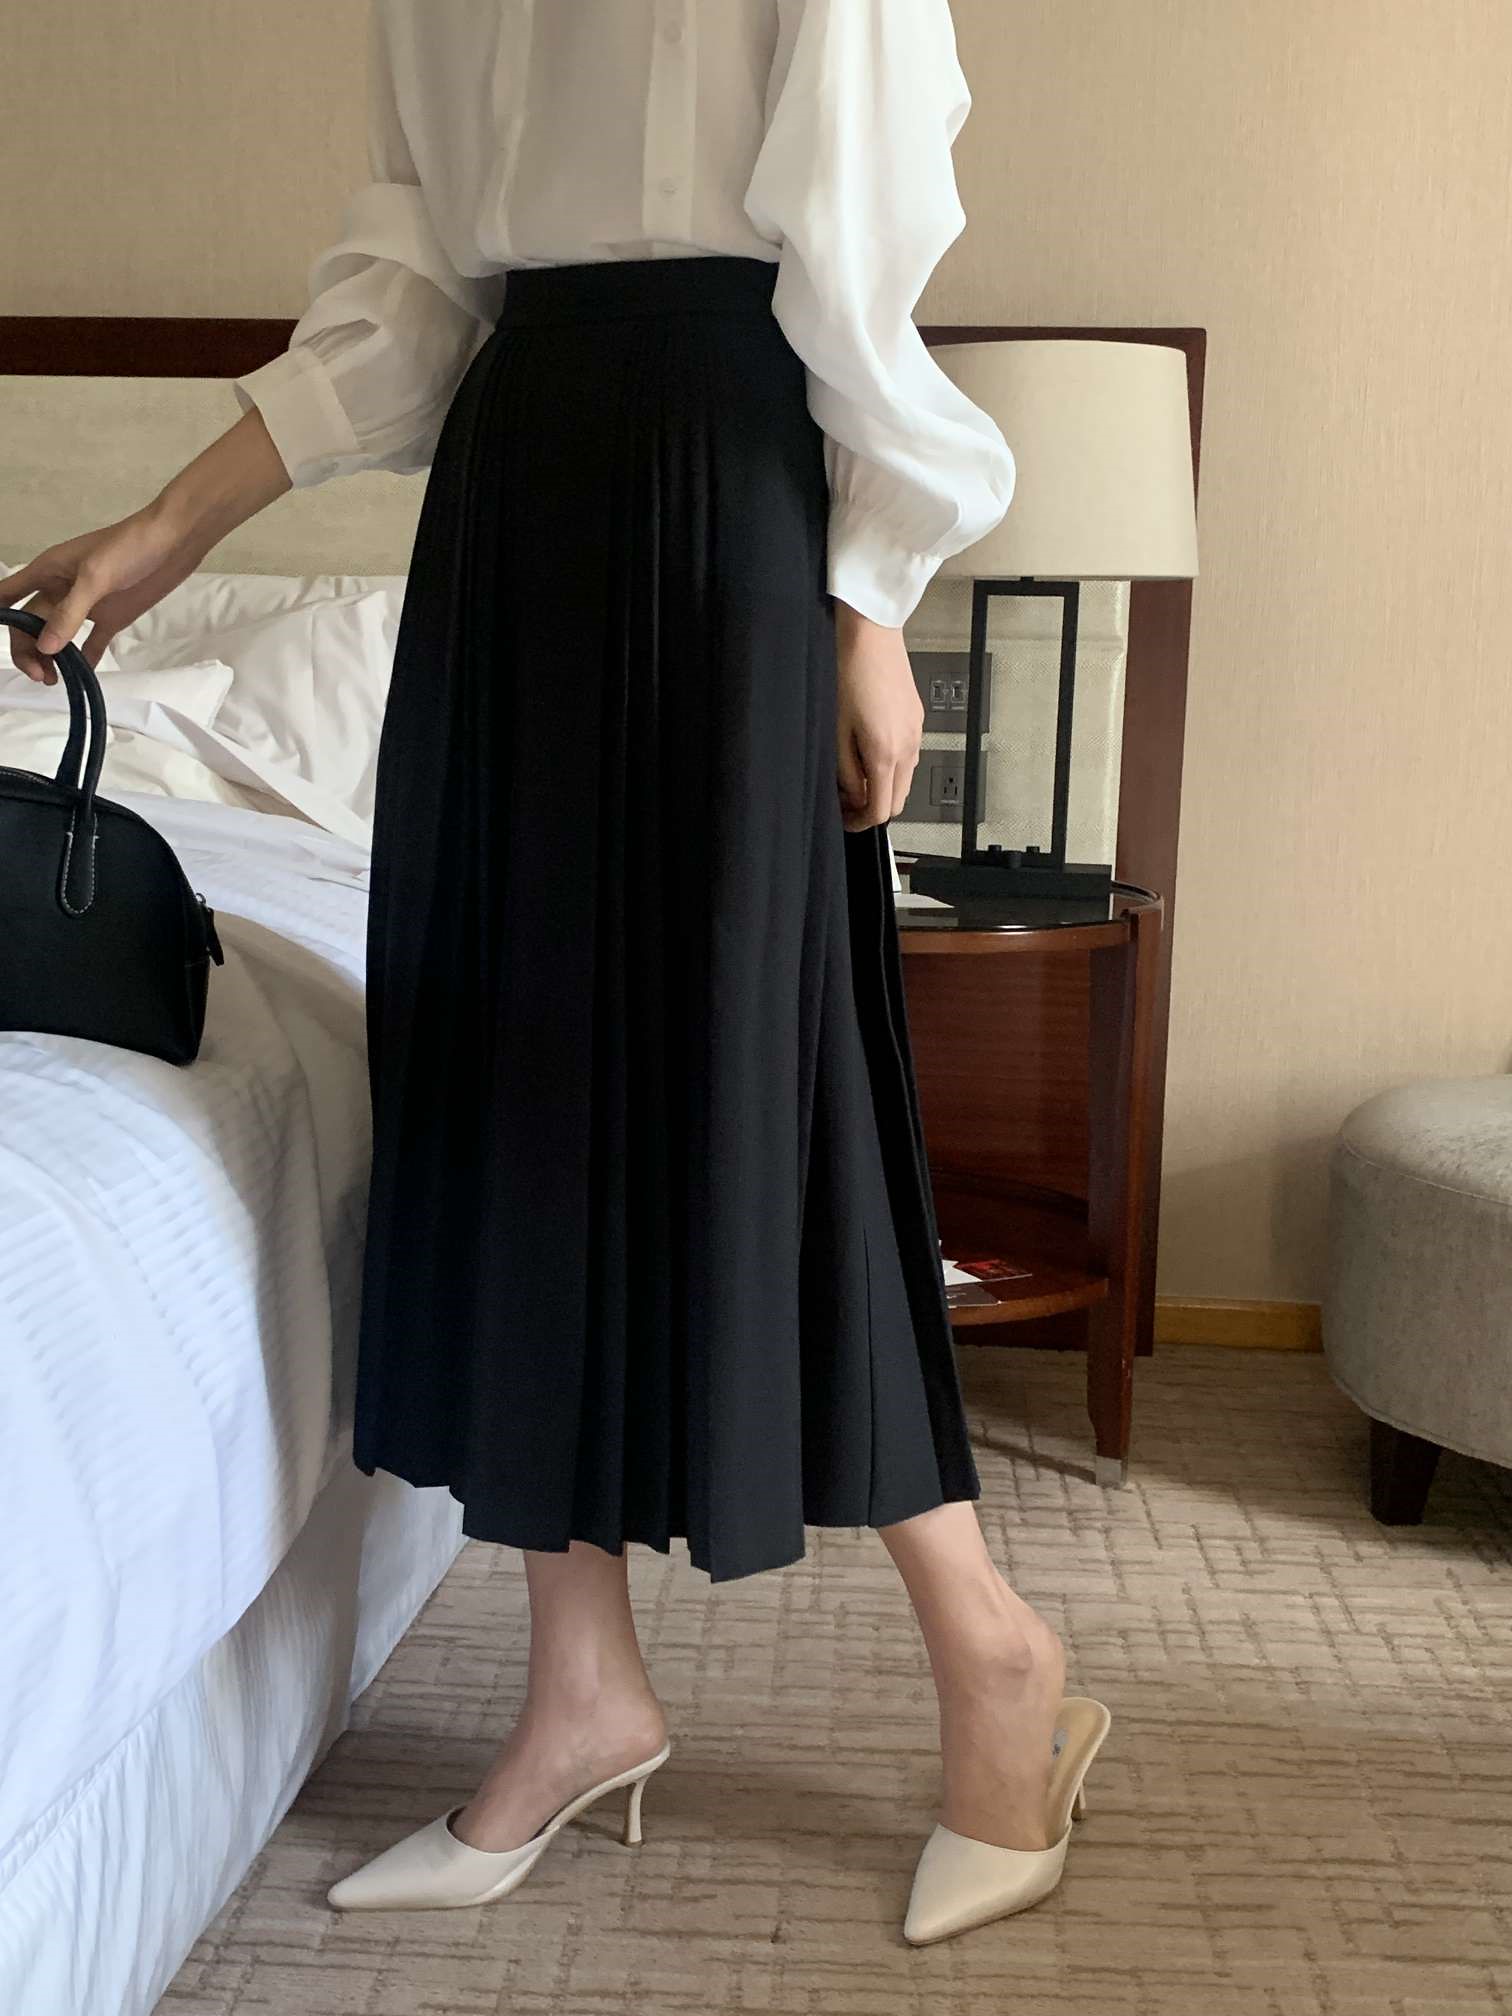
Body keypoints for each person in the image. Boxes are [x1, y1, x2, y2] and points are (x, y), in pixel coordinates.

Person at [3, 0, 1108, 1947]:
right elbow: (412, 297)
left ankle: (992, 1647)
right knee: (496, 1073)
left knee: (763, 1083)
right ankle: (581, 1689)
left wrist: (870, 593)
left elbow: (862, 228)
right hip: (513, 492)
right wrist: (165, 534)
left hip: (727, 480)